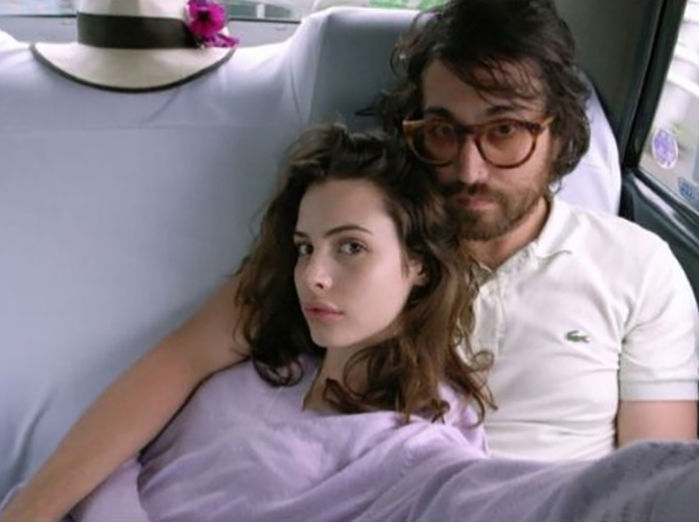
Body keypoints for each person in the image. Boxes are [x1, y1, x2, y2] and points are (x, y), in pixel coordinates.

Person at [2, 0, 697, 520]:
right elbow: (177, 364)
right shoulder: (360, 238)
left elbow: (653, 473)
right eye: (443, 131)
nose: (470, 167)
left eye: (506, 131)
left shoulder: (638, 268)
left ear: (558, 134)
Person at [70, 123, 494, 521]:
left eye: (351, 247)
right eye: (305, 248)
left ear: (419, 263)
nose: (313, 276)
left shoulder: (419, 444)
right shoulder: (259, 367)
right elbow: (115, 459)